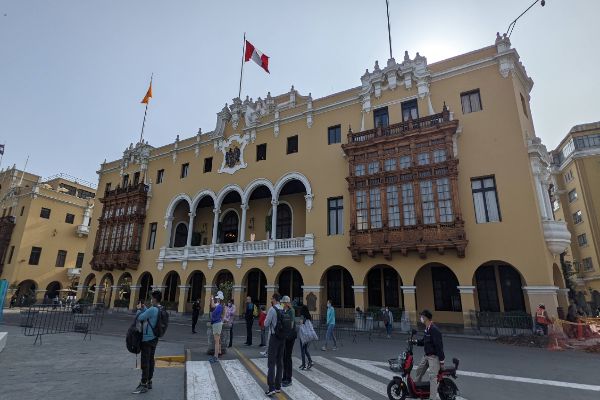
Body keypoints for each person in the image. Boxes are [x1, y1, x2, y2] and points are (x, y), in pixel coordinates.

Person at [132, 290, 162, 394]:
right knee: (150, 360)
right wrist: (144, 308)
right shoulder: (159, 308)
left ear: (154, 299)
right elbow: (148, 314)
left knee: (145, 361)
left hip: (147, 339)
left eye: (151, 298)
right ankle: (149, 381)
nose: (150, 300)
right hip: (154, 338)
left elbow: (140, 317)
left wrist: (139, 309)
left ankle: (143, 383)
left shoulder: (153, 309)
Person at [413, 309, 444, 400]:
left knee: (432, 377)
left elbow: (439, 346)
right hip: (427, 356)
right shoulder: (427, 329)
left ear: (426, 318)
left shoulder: (434, 330)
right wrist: (414, 342)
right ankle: (417, 390)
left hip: (433, 357)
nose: (421, 318)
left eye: (422, 316)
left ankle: (432, 398)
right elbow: (424, 341)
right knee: (419, 370)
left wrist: (441, 361)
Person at [264, 293, 284, 396]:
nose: (271, 300)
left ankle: (271, 387)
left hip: (274, 337)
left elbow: (266, 324)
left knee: (271, 363)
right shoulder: (282, 309)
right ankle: (277, 386)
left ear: (275, 299)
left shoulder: (272, 310)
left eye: (272, 298)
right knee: (279, 362)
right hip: (282, 338)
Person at [281, 296, 296, 387]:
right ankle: (284, 376)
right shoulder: (284, 310)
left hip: (290, 336)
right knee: (284, 357)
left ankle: (289, 378)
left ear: (287, 303)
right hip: (284, 336)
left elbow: (291, 324)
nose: (282, 304)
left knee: (288, 357)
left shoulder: (291, 311)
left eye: (283, 303)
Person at [209, 291, 224, 364]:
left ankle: (216, 356)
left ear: (219, 299)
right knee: (218, 339)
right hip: (217, 323)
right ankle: (219, 351)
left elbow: (212, 306)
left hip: (217, 323)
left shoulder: (219, 306)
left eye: (217, 298)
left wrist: (211, 298)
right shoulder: (219, 305)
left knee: (216, 341)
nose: (216, 299)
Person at [298, 305, 314, 370]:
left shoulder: (302, 316)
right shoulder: (309, 316)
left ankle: (304, 364)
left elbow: (301, 325)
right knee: (305, 349)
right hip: (308, 335)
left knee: (302, 350)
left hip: (303, 335)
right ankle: (310, 361)